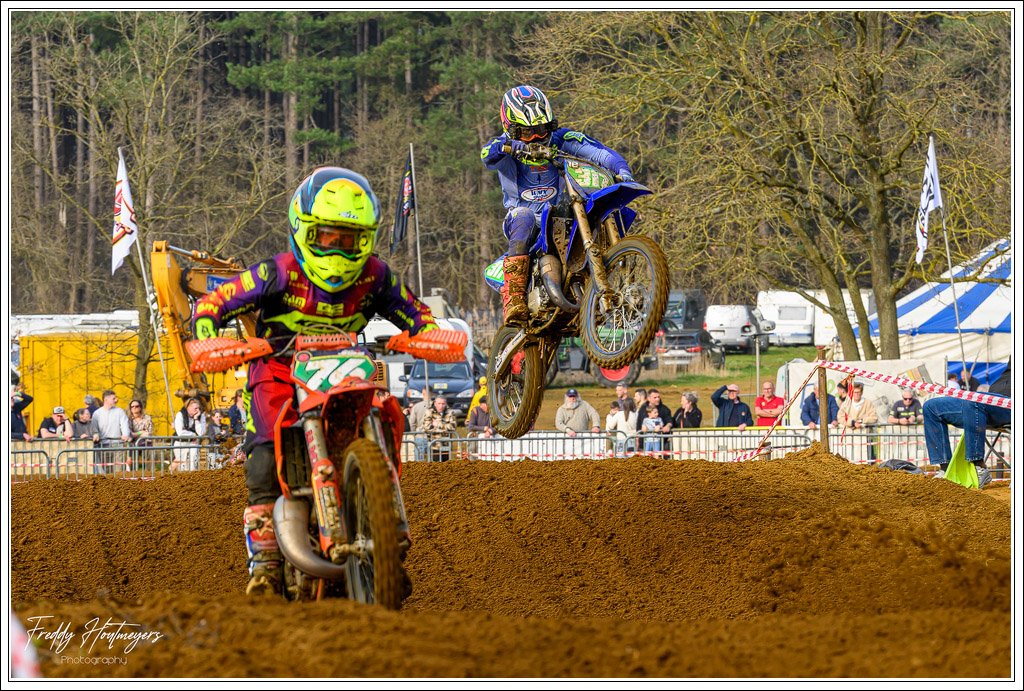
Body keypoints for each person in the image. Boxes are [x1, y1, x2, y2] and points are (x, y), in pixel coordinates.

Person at [192, 167, 439, 596]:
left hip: (345, 367)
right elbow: (213, 304)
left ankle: (385, 529)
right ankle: (266, 564)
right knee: (264, 456)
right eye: (329, 237)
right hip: (279, 368)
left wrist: (428, 335)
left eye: (351, 240)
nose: (339, 248)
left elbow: (418, 314)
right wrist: (210, 339)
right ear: (304, 229)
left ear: (367, 240)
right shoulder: (277, 272)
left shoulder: (375, 275)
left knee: (387, 414)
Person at [481, 85, 634, 325]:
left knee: (594, 208)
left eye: (541, 130)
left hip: (559, 214)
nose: (535, 138)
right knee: (524, 216)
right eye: (527, 132)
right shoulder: (504, 147)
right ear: (511, 129)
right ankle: (515, 300)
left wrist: (623, 171)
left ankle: (606, 282)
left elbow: (600, 153)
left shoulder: (562, 139)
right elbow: (487, 154)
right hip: (523, 219)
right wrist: (507, 147)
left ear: (550, 125)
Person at [923, 364, 1011, 489]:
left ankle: (978, 467)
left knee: (974, 400)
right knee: (931, 406)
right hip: (989, 400)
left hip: (1009, 406)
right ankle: (946, 469)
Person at [91, 389, 132, 473]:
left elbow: (124, 424)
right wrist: (95, 434)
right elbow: (94, 428)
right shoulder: (97, 413)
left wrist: (125, 434)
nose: (116, 400)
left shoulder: (120, 411)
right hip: (103, 446)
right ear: (106, 399)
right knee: (107, 472)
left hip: (118, 445)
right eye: (113, 398)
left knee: (119, 471)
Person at [172, 397, 207, 473]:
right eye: (195, 408)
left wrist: (196, 419)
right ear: (188, 408)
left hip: (193, 443)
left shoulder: (201, 415)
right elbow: (180, 432)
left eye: (199, 408)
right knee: (182, 467)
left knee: (193, 465)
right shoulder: (180, 414)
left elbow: (201, 433)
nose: (198, 410)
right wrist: (193, 434)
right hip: (180, 442)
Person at [419, 395, 457, 461]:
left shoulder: (450, 412)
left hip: (446, 445)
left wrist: (438, 424)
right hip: (434, 445)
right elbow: (427, 428)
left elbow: (453, 427)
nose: (441, 406)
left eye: (443, 404)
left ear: (446, 404)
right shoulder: (429, 412)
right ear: (435, 403)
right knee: (435, 465)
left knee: (447, 465)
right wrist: (445, 428)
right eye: (439, 403)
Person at [408, 387, 433, 461]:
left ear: (423, 393)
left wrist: (414, 433)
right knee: (434, 462)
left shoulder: (416, 406)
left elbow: (412, 423)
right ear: (432, 393)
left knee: (419, 463)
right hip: (434, 436)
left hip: (420, 435)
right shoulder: (436, 405)